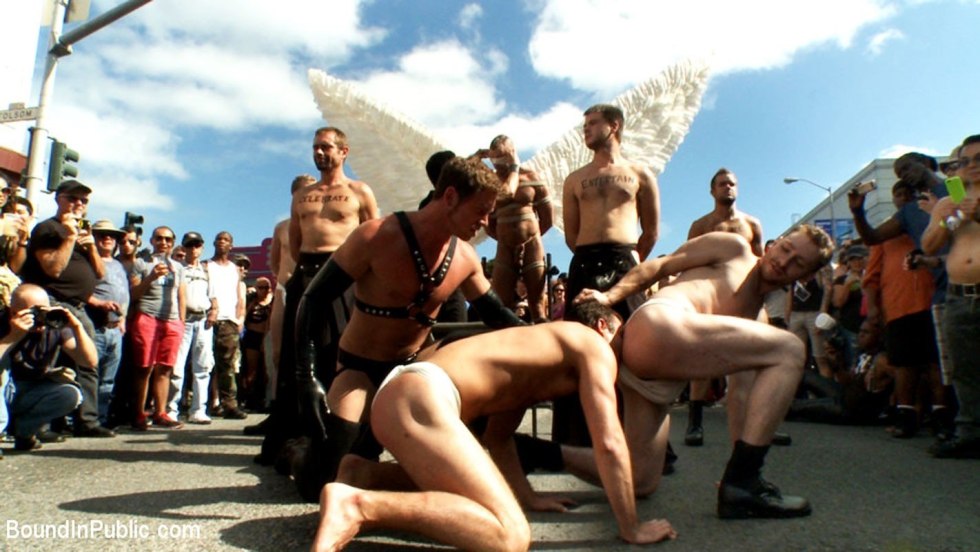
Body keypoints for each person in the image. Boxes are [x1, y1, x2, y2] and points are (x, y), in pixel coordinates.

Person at [313, 303, 676, 550]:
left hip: (405, 395)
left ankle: (365, 476)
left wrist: (529, 497)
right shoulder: (593, 344)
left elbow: (498, 439)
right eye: (624, 336)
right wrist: (632, 527)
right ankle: (359, 505)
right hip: (423, 396)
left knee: (480, 495)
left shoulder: (535, 352)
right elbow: (610, 442)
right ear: (603, 325)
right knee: (509, 536)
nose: (626, 349)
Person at [291, 156, 526, 502]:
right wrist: (306, 374)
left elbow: (498, 315)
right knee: (318, 486)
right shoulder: (375, 236)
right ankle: (295, 451)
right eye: (481, 210)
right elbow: (313, 301)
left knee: (465, 348)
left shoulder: (465, 259)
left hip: (412, 370)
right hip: (359, 371)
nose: (485, 222)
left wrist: (550, 338)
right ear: (449, 197)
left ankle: (382, 459)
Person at [573, 225, 833, 518]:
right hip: (659, 324)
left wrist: (735, 465)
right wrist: (609, 296)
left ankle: (531, 452)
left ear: (806, 275)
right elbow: (662, 265)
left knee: (639, 479)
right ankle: (746, 483)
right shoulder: (734, 248)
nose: (784, 262)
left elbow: (742, 395)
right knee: (792, 348)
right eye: (787, 249)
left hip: (657, 369)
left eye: (798, 263)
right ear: (777, 242)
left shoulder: (758, 320)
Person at [257, 127, 379, 463]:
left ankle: (344, 433)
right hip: (307, 273)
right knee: (298, 355)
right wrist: (304, 274)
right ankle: (295, 435)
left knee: (341, 351)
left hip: (344, 273)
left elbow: (373, 235)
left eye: (326, 147)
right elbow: (295, 243)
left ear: (344, 151)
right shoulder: (302, 196)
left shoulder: (359, 191)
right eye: (315, 147)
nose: (319, 153)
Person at [557, 103, 660, 446]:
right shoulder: (574, 179)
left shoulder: (640, 174)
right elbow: (571, 235)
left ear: (614, 126)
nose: (585, 129)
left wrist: (630, 261)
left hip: (624, 260)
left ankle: (642, 439)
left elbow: (651, 232)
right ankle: (575, 438)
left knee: (635, 345)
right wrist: (591, 254)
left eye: (592, 123)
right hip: (585, 261)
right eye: (584, 124)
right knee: (576, 345)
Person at [18, 180, 113, 438]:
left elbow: (101, 273)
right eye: (73, 198)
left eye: (84, 201)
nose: (79, 204)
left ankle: (88, 420)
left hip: (79, 307)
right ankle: (43, 425)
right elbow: (53, 268)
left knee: (88, 362)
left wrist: (90, 245)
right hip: (53, 301)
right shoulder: (48, 229)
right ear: (59, 198)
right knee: (48, 360)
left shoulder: (83, 233)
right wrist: (69, 237)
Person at [684, 168, 764, 447]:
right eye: (721, 184)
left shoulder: (752, 224)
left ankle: (756, 426)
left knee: (750, 364)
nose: (727, 188)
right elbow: (689, 260)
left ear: (737, 189)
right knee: (704, 361)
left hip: (747, 298)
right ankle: (695, 423)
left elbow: (760, 263)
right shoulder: (701, 225)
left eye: (731, 184)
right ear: (712, 191)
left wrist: (760, 299)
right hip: (713, 297)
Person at [922, 134, 980, 459]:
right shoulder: (952, 199)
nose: (972, 167)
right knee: (964, 369)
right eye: (965, 161)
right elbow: (929, 245)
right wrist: (946, 218)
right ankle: (970, 433)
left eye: (979, 159)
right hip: (958, 297)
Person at [1, 285, 93, 451]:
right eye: (32, 313)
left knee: (70, 394)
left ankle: (24, 432)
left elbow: (89, 361)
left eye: (42, 311)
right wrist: (13, 336)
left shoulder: (54, 328)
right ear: (13, 311)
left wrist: (77, 327)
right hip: (4, 391)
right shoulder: (2, 323)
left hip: (31, 391)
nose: (39, 318)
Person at [480, 134, 553, 323]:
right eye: (494, 159)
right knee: (501, 304)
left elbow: (547, 218)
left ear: (512, 154)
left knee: (537, 304)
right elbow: (487, 221)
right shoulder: (491, 182)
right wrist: (504, 237)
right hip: (504, 245)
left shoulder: (531, 177)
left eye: (502, 158)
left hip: (532, 244)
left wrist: (530, 236)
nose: (498, 164)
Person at [128, 226, 186, 430]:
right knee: (144, 367)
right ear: (152, 241)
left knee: (165, 368)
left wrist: (181, 321)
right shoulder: (141, 263)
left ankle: (161, 413)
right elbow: (133, 294)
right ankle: (138, 414)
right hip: (148, 317)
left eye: (168, 239)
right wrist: (151, 277)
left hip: (171, 320)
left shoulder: (178, 267)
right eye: (159, 239)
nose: (164, 243)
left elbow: (181, 295)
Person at [85, 220, 130, 426]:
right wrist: (99, 303)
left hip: (115, 330)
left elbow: (125, 295)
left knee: (108, 380)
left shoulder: (119, 265)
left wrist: (122, 320)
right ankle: (85, 419)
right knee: (89, 376)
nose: (108, 238)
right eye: (102, 234)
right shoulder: (86, 261)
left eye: (112, 235)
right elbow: (80, 291)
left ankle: (101, 419)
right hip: (95, 326)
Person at [169, 231, 216, 424]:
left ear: (202, 247)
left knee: (203, 367)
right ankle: (171, 409)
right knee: (177, 367)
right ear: (183, 247)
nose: (193, 249)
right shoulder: (177, 268)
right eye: (189, 245)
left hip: (203, 321)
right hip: (183, 320)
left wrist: (214, 310)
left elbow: (213, 295)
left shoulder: (207, 270)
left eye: (196, 245)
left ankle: (198, 410)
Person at [206, 231, 247, 420]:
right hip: (207, 319)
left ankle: (229, 405)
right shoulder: (206, 266)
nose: (222, 242)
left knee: (227, 367)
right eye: (219, 239)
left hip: (229, 321)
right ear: (214, 243)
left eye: (226, 240)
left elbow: (239, 296)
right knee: (203, 364)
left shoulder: (234, 269)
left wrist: (239, 319)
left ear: (231, 245)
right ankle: (196, 404)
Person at [240, 276, 273, 410]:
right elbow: (244, 317)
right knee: (251, 370)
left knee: (266, 371)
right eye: (261, 287)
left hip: (266, 337)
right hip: (252, 337)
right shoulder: (251, 302)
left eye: (267, 287)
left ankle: (265, 398)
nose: (264, 290)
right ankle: (249, 399)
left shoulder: (273, 301)